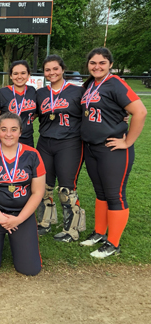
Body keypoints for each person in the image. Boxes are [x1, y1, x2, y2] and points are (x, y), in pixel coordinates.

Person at [79, 47, 147, 258]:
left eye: (102, 63)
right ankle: (100, 232)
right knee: (100, 193)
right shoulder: (90, 83)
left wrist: (127, 141)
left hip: (112, 149)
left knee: (115, 195)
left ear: (109, 64)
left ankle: (113, 243)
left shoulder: (115, 83)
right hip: (91, 147)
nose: (97, 66)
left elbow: (140, 111)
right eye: (93, 63)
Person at [0, 112, 45, 276]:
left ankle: (19, 237)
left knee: (30, 269)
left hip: (22, 214)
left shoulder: (33, 155)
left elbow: (37, 192)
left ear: (21, 132)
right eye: (4, 129)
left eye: (13, 129)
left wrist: (19, 219)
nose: (8, 134)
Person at [35, 55, 86, 241]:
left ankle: (72, 229)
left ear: (63, 69)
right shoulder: (40, 93)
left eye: (55, 69)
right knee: (43, 185)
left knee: (66, 187)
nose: (52, 73)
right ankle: (45, 222)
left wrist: (121, 117)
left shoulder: (78, 91)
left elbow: (97, 107)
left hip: (70, 142)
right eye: (47, 70)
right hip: (45, 142)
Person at [0, 60, 37, 147]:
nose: (19, 76)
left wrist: (26, 119)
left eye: (23, 73)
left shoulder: (32, 91)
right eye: (16, 73)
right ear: (10, 76)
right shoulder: (2, 92)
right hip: (7, 137)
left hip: (26, 138)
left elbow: (36, 113)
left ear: (28, 75)